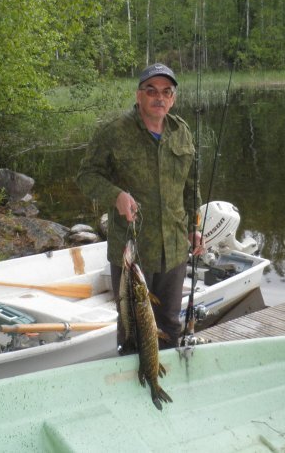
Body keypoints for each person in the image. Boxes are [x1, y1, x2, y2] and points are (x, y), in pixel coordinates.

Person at [77, 63, 203, 350]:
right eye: (151, 90)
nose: (159, 97)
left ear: (173, 99)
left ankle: (165, 373)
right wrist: (116, 195)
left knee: (170, 324)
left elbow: (191, 186)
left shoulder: (181, 131)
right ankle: (134, 375)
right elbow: (86, 176)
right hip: (132, 253)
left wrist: (193, 229)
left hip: (173, 248)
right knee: (133, 328)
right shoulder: (114, 132)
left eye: (166, 92)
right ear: (139, 95)